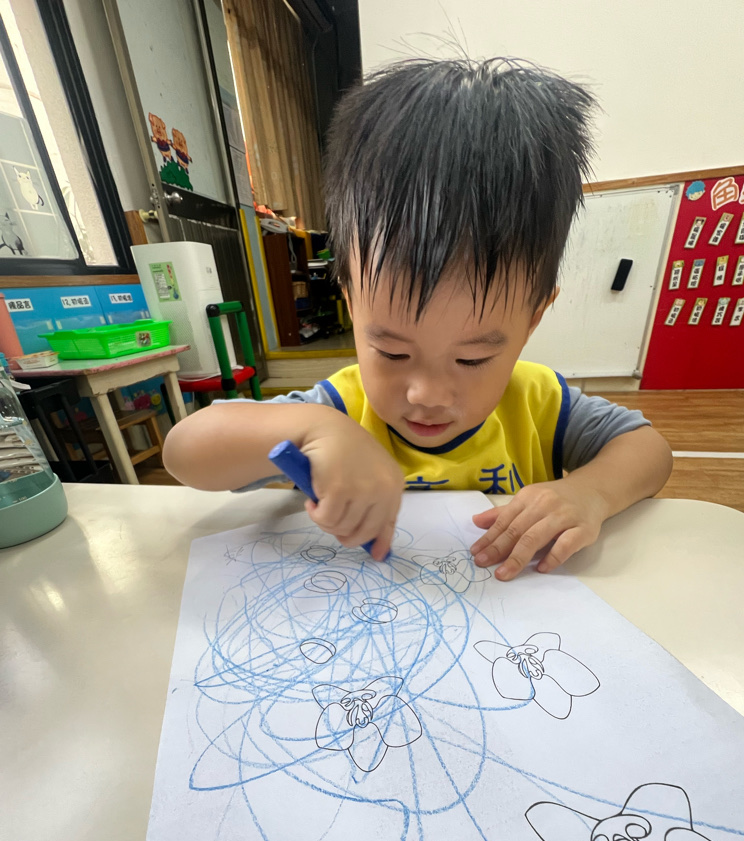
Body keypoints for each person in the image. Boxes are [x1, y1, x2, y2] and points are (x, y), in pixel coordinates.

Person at [163, 57, 672, 580]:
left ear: (534, 318)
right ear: (351, 303)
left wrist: (589, 492)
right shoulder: (340, 409)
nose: (426, 394)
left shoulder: (538, 403)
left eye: (472, 359)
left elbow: (649, 451)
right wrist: (313, 431)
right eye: (393, 352)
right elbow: (184, 452)